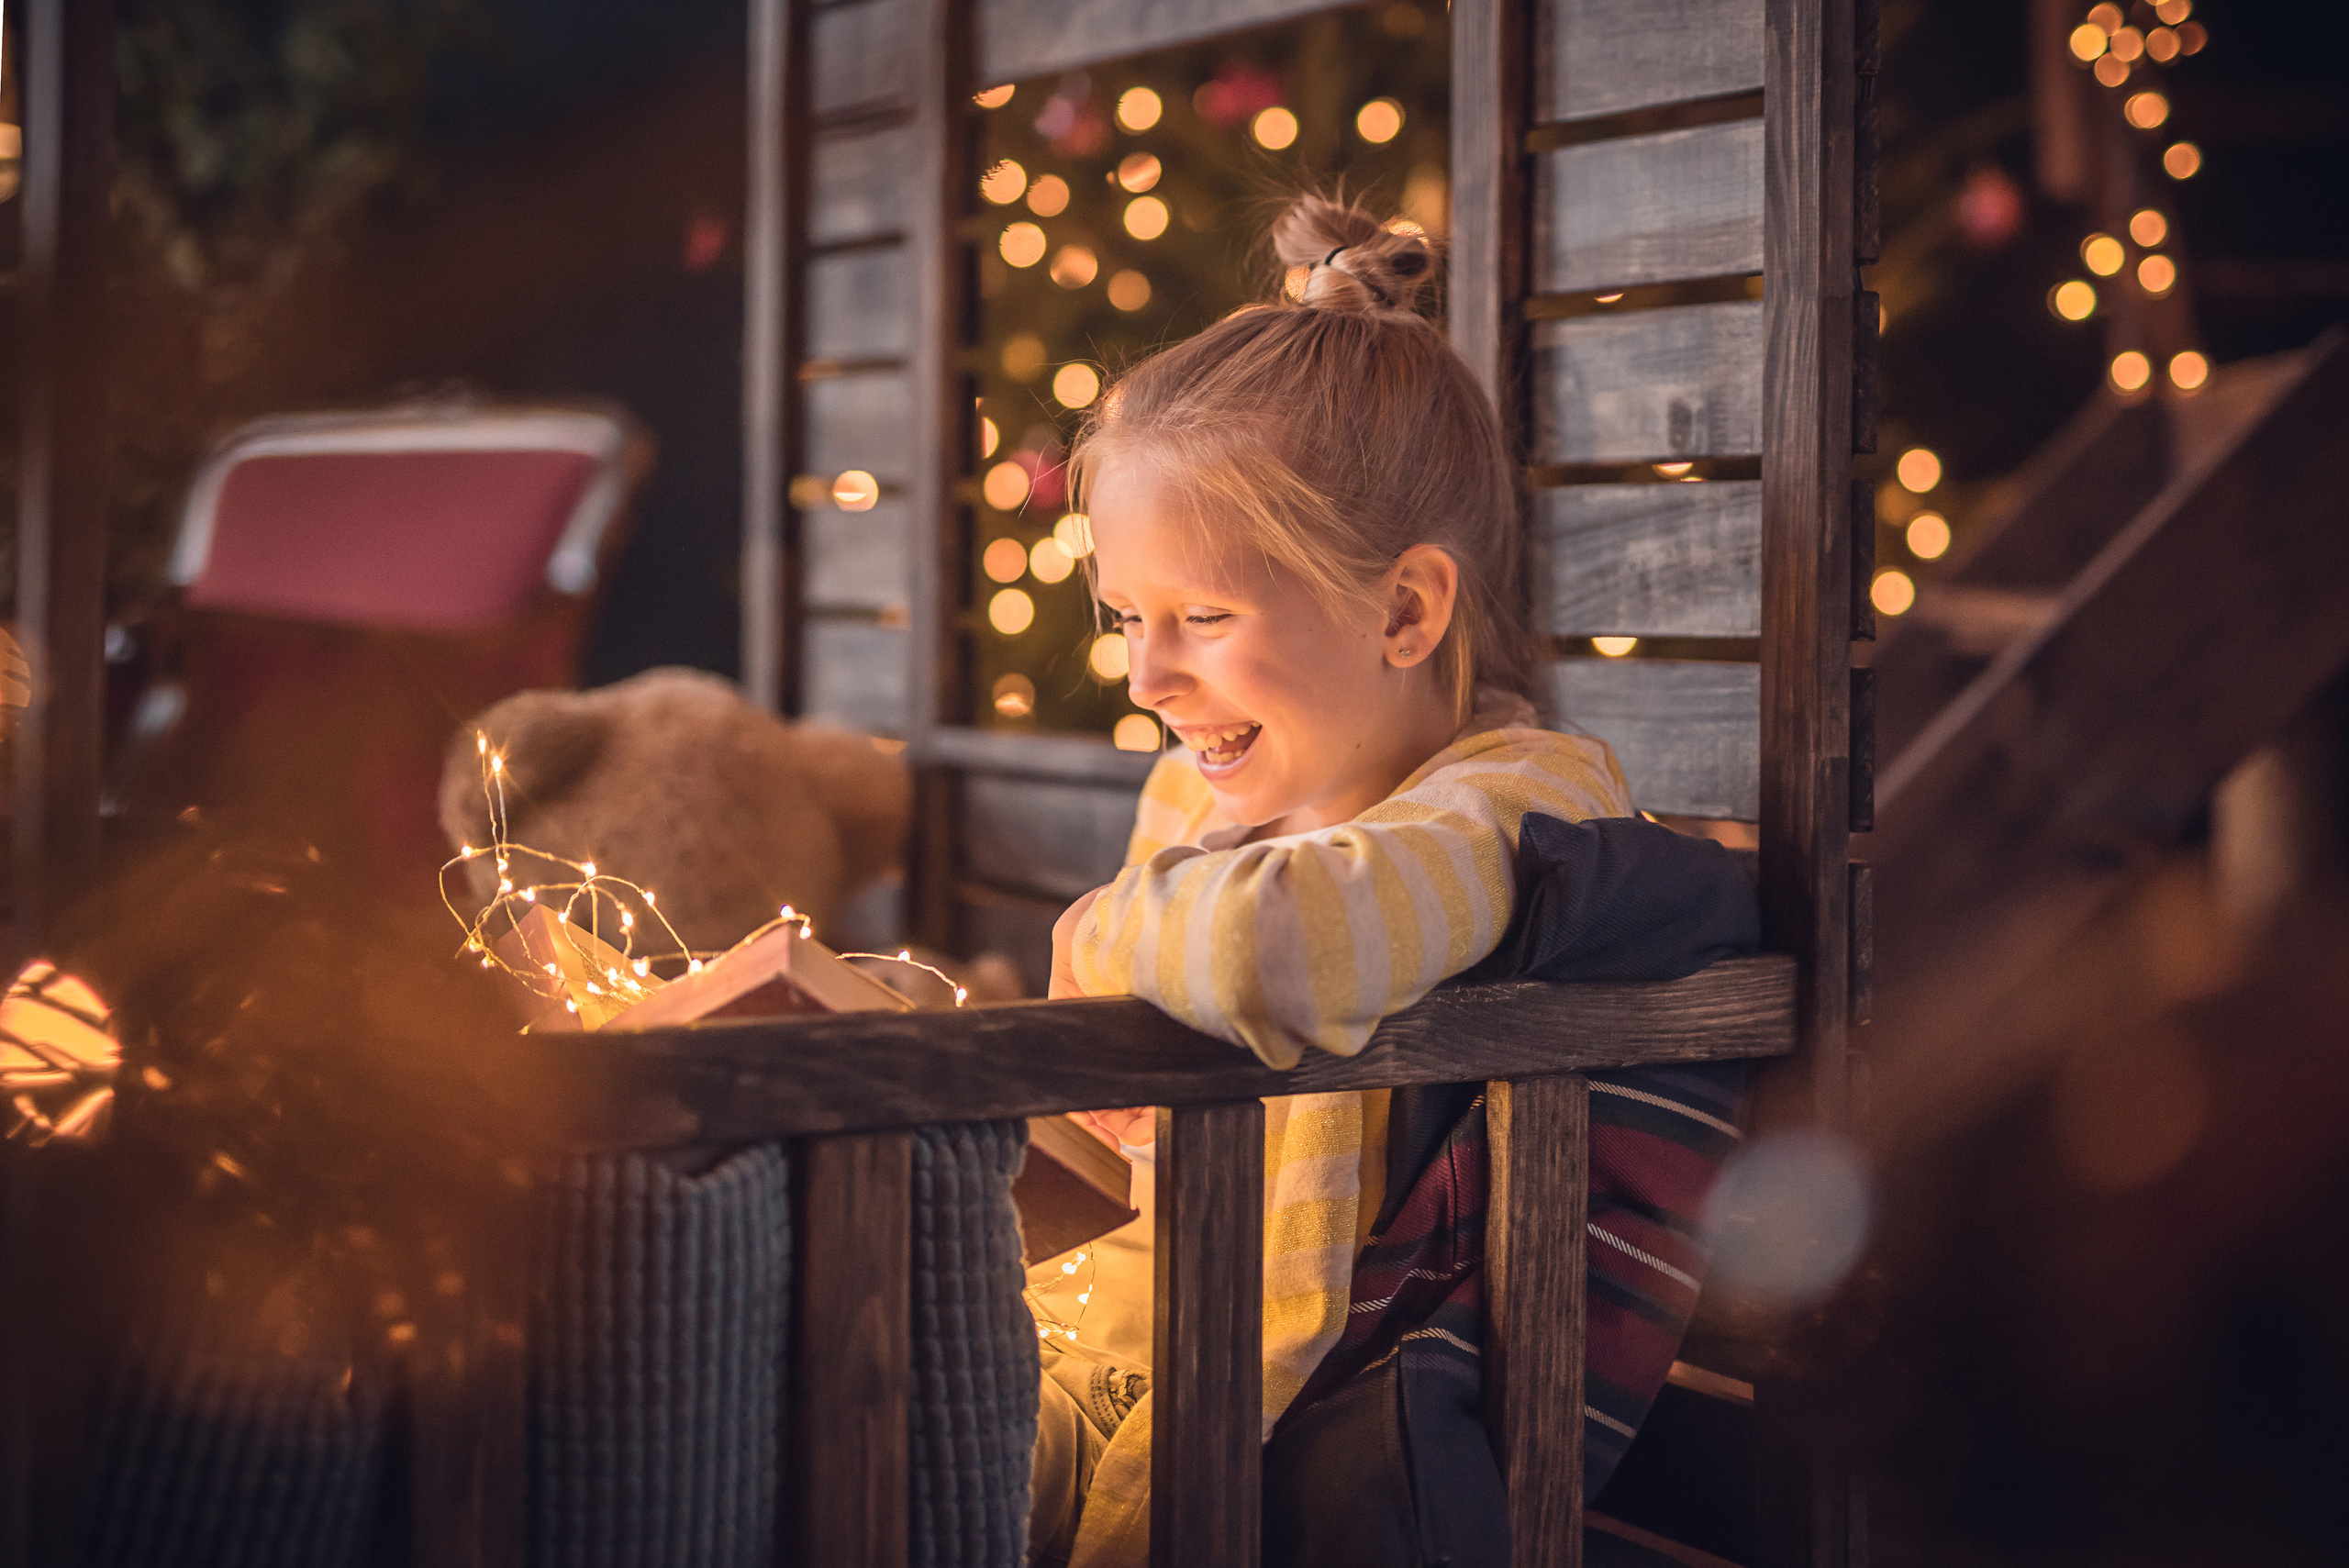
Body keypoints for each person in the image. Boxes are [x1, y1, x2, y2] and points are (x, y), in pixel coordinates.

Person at [1029, 195, 1752, 1568]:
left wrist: (1105, 933)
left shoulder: (1518, 808)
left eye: (1205, 616)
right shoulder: (1198, 791)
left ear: (1405, 610)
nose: (1146, 674)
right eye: (1128, 617)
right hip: (1101, 1344)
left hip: (1259, 1423)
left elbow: (1271, 952)